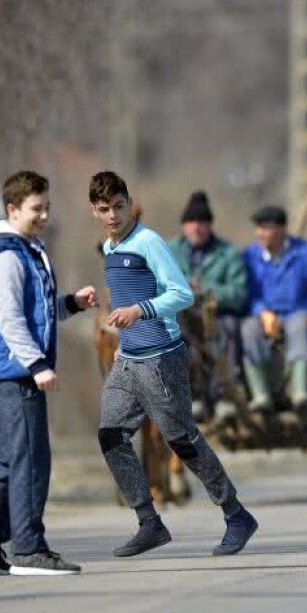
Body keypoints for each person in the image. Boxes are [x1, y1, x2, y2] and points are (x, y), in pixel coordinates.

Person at [90, 171, 257, 557]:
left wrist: (140, 310)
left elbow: (180, 294)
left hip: (162, 359)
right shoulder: (111, 250)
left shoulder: (149, 242)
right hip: (129, 359)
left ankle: (236, 515)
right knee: (111, 435)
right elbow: (124, 300)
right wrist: (124, 338)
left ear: (129, 204)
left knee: (182, 439)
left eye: (119, 206)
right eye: (105, 209)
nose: (113, 215)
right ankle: (149, 522)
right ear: (94, 212)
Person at [0, 170, 96, 576]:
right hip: (12, 371)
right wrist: (36, 364)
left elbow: (36, 310)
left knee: (8, 457)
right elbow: (10, 320)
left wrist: (70, 304)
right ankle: (28, 549)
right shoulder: (5, 258)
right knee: (32, 459)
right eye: (36, 208)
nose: (44, 215)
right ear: (12, 209)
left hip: (7, 369)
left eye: (47, 207)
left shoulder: (25, 249)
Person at [240, 205, 307, 418]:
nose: (261, 234)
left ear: (282, 230)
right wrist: (261, 311)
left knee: (300, 326)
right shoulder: (249, 257)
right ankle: (261, 395)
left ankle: (300, 393)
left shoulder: (305, 253)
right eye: (259, 228)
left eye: (267, 228)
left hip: (297, 311)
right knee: (248, 330)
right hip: (262, 316)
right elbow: (246, 291)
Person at [166, 190, 248, 423]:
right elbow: (158, 285)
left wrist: (206, 290)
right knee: (179, 333)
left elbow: (239, 293)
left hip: (219, 316)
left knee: (231, 329)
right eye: (191, 222)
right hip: (184, 317)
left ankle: (224, 398)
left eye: (202, 222)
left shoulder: (228, 253)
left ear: (210, 226)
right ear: (184, 226)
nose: (197, 228)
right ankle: (193, 397)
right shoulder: (169, 251)